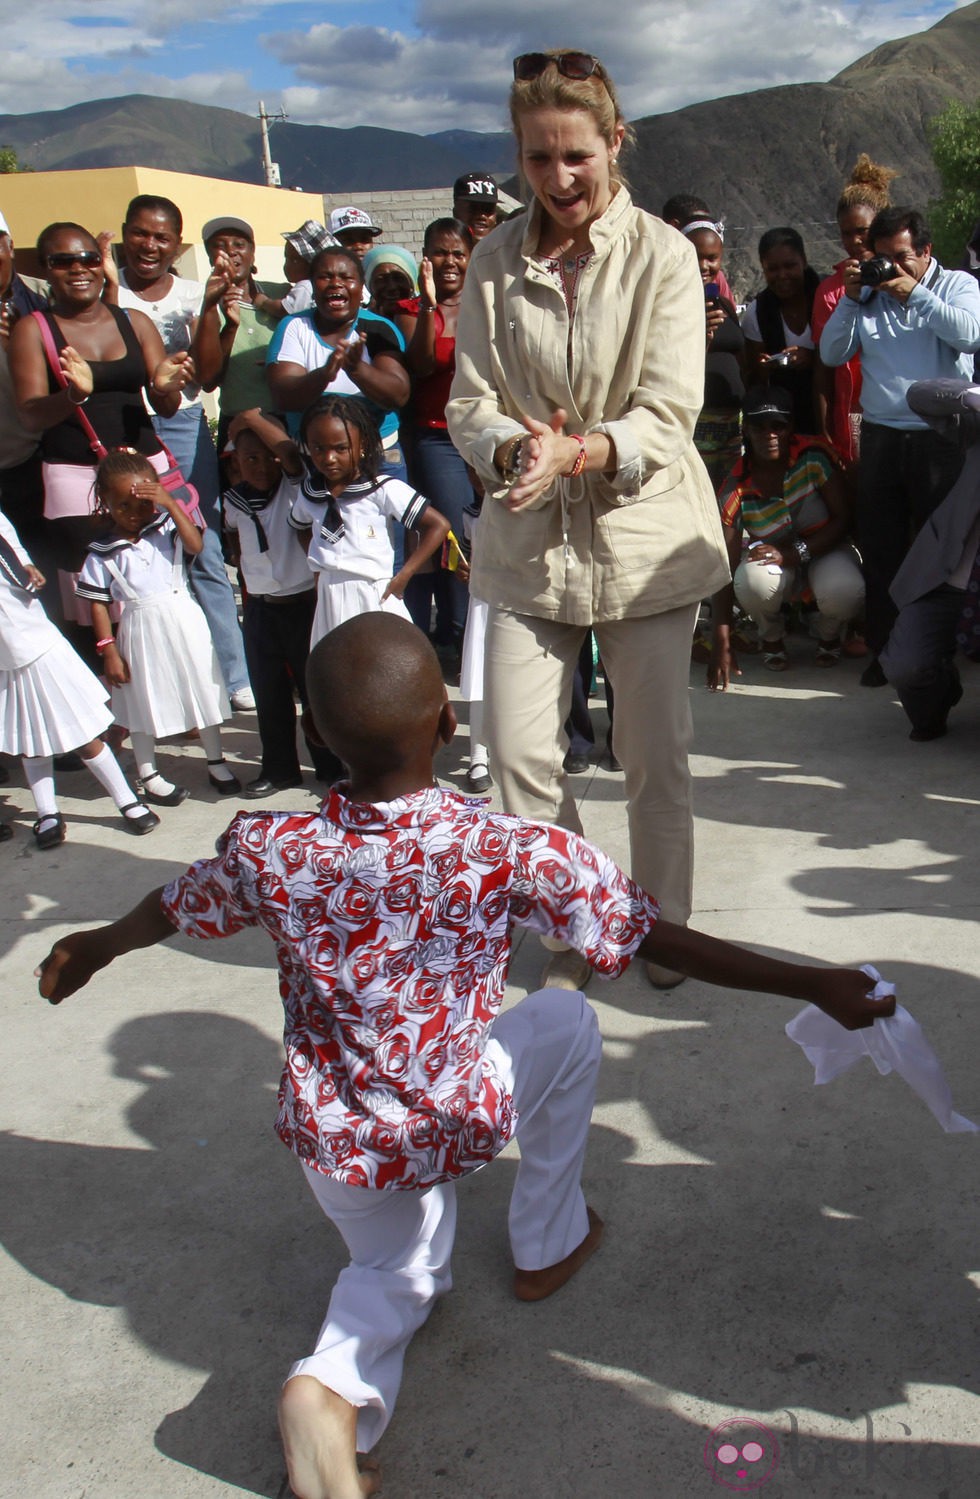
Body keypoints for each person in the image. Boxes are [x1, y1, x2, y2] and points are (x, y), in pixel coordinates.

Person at [35, 612, 897, 1499]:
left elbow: (173, 905)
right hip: (449, 1120)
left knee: (391, 1254)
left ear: (311, 733)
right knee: (556, 1041)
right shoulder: (506, 849)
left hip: (331, 1142)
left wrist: (93, 946)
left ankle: (344, 1383)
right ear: (447, 725)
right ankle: (442, 1311)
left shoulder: (269, 848)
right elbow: (658, 939)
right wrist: (812, 982)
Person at [446, 48, 730, 991]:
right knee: (519, 756)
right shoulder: (490, 260)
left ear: (615, 142)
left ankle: (664, 929)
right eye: (538, 159)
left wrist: (585, 450)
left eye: (576, 155)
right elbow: (470, 399)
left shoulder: (666, 255)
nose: (559, 179)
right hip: (528, 539)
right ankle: (575, 917)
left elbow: (668, 408)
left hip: (642, 541)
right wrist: (511, 450)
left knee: (654, 756)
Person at [819, 205, 980, 685]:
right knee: (882, 548)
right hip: (884, 435)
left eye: (903, 257)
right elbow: (831, 353)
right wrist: (851, 298)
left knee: (942, 553)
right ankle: (884, 650)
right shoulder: (868, 293)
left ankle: (939, 653)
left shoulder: (957, 286)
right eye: (883, 257)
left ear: (927, 252)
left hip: (944, 435)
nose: (891, 268)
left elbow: (971, 336)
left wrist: (915, 294)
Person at [8, 221, 192, 639]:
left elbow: (166, 403)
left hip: (146, 472)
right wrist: (74, 395)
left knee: (160, 586)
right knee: (97, 602)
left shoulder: (135, 322)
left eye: (89, 258)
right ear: (45, 268)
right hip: (78, 484)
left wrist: (165, 390)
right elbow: (31, 416)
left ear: (102, 263)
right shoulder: (33, 330)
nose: (79, 269)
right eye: (64, 261)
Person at [110, 194, 254, 709]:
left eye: (162, 237)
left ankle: (235, 676)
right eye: (141, 234)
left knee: (204, 549)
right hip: (119, 426)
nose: (150, 245)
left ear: (177, 243)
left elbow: (210, 374)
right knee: (131, 557)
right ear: (126, 232)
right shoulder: (103, 289)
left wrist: (212, 310)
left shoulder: (196, 293)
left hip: (181, 427)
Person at [75, 450, 239, 804]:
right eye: (123, 506)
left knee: (201, 687)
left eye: (143, 504)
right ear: (105, 503)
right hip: (139, 628)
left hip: (184, 620)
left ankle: (215, 760)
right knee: (141, 699)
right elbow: (99, 604)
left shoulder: (166, 528)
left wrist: (168, 502)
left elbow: (196, 544)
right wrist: (108, 649)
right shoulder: (102, 553)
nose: (135, 514)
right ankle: (148, 772)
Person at [0, 505, 158, 848]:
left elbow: (11, 543)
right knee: (31, 740)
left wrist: (25, 564)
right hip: (5, 660)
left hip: (37, 644)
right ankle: (47, 812)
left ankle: (126, 799)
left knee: (82, 732)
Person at [707, 385, 865, 684]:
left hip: (826, 549)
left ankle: (829, 634)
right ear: (746, 430)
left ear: (790, 427)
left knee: (845, 590)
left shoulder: (814, 457)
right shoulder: (735, 485)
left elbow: (843, 519)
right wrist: (721, 638)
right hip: (775, 560)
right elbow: (724, 568)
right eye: (759, 426)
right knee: (751, 581)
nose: (769, 434)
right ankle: (771, 637)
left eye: (778, 425)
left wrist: (793, 554)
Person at [223, 408, 341, 795]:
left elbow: (289, 454)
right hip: (260, 608)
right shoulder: (233, 502)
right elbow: (239, 551)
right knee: (268, 693)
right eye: (249, 458)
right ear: (236, 462)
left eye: (267, 456)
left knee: (314, 691)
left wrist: (250, 418)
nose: (261, 466)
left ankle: (330, 764)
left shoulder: (294, 488)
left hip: (302, 604)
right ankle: (279, 768)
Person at [287, 395, 449, 645]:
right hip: (329, 593)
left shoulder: (381, 489)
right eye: (319, 448)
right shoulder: (311, 493)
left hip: (374, 591)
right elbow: (299, 526)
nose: (329, 458)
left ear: (362, 446)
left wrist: (405, 574)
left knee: (383, 662)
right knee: (336, 667)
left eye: (341, 448)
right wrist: (318, 567)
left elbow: (437, 525)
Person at [880, 377, 980, 739]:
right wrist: (970, 397)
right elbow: (919, 395)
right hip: (948, 581)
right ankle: (940, 694)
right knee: (905, 667)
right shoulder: (977, 430)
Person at [395, 217, 475, 653]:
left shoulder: (485, 302)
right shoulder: (410, 311)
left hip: (484, 434)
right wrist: (429, 306)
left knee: (483, 532)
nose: (450, 261)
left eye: (458, 253)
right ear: (426, 258)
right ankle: (459, 633)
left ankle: (467, 630)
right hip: (438, 440)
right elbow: (422, 365)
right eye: (440, 252)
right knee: (457, 535)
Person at [265, 247, 410, 476]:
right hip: (314, 462)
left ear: (361, 288)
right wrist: (324, 375)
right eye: (325, 277)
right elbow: (283, 396)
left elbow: (397, 395)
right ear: (312, 287)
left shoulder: (378, 329)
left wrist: (357, 370)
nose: (335, 284)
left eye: (346, 277)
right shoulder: (293, 327)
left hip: (378, 461)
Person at [811, 156, 897, 468]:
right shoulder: (831, 290)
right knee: (865, 501)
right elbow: (824, 366)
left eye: (863, 230)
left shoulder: (904, 280)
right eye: (846, 233)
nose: (855, 241)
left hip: (901, 408)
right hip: (854, 416)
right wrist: (825, 431)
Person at [194, 216, 287, 450]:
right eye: (219, 245)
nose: (231, 252)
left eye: (239, 244)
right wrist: (228, 325)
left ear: (252, 252)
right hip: (238, 426)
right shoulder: (205, 307)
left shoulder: (282, 295)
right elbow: (208, 381)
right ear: (209, 255)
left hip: (287, 422)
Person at [741, 226, 821, 435]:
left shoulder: (827, 299)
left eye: (790, 266)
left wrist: (813, 359)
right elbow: (754, 378)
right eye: (773, 269)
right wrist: (765, 367)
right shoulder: (757, 313)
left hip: (828, 412)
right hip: (783, 423)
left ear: (803, 261)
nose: (782, 275)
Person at [252, 219, 337, 323]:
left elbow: (283, 310)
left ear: (313, 266)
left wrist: (264, 302)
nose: (287, 265)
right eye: (286, 258)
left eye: (294, 260)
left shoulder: (305, 286)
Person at [661, 194, 735, 306]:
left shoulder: (716, 279)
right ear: (674, 226)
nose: (704, 266)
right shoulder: (655, 278)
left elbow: (729, 317)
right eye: (695, 222)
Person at [361, 244, 418, 323]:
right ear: (369, 286)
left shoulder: (429, 317)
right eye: (381, 280)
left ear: (412, 284)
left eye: (399, 278)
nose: (392, 287)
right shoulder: (360, 325)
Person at [452, 173, 500, 241]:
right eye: (473, 208)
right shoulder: (441, 248)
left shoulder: (509, 250)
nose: (482, 216)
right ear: (456, 213)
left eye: (488, 209)